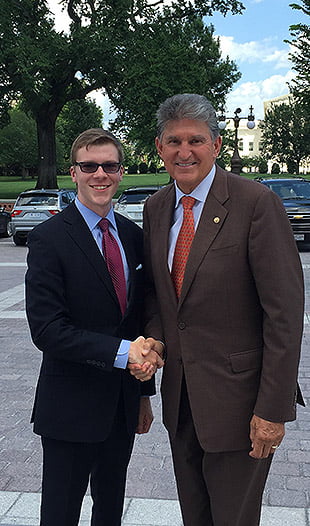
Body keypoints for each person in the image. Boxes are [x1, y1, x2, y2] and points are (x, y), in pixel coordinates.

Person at [130, 94, 305, 526]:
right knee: (196, 515)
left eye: (195, 140)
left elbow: (284, 314)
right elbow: (157, 294)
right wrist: (156, 339)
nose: (184, 151)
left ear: (217, 145)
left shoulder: (254, 202)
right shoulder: (155, 208)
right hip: (182, 401)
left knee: (233, 518)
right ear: (159, 147)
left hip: (242, 406)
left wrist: (272, 409)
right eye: (174, 141)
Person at [25, 128, 164, 526]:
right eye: (89, 166)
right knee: (60, 514)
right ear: (74, 173)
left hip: (120, 408)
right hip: (69, 408)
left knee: (109, 512)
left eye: (109, 165)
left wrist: (142, 396)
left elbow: (137, 321)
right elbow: (47, 330)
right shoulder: (49, 238)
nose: (100, 174)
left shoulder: (134, 237)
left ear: (121, 172)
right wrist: (124, 354)